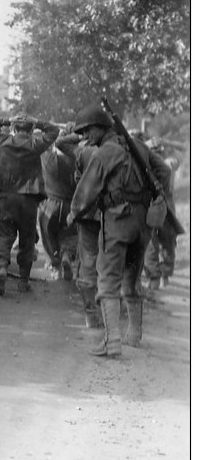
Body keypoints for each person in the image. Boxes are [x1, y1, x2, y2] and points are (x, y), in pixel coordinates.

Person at [66, 104, 170, 357]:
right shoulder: (139, 146)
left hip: (117, 220)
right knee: (132, 279)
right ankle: (134, 334)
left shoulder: (104, 153)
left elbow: (87, 189)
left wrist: (74, 214)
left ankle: (112, 341)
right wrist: (157, 195)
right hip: (144, 222)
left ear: (102, 128)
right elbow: (164, 171)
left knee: (108, 281)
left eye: (88, 131)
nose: (85, 137)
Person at [0, 114, 60, 295]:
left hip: (5, 197)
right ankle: (23, 281)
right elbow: (54, 130)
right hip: (28, 199)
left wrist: (7, 120)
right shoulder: (35, 145)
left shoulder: (3, 141)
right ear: (30, 130)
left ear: (15, 129)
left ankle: (2, 267)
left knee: (3, 236)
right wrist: (37, 122)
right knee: (27, 240)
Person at [55, 127, 103, 328]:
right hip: (116, 216)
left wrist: (80, 134)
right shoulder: (120, 150)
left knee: (88, 262)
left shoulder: (85, 151)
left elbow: (60, 143)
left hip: (88, 213)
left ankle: (91, 314)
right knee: (113, 262)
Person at [38, 126, 78, 281]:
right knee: (69, 235)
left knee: (47, 234)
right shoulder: (78, 161)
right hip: (70, 205)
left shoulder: (46, 158)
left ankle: (54, 265)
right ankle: (66, 256)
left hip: (50, 206)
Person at [142, 138, 180, 298]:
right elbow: (175, 161)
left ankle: (155, 278)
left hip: (152, 208)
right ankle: (164, 275)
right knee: (168, 243)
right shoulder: (168, 165)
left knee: (151, 244)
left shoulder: (145, 166)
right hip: (167, 209)